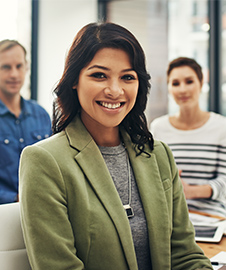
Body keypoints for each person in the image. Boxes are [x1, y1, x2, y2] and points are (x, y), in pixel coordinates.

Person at [19, 22, 212, 270]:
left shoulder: (159, 154)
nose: (115, 90)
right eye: (99, 75)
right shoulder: (44, 161)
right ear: (74, 80)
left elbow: (185, 255)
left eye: (127, 77)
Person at [150, 57, 226, 219]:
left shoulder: (223, 126)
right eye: (175, 83)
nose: (182, 90)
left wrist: (189, 191)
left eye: (189, 81)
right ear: (169, 88)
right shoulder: (158, 128)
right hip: (169, 215)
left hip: (210, 215)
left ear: (201, 84)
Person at [0, 39, 51, 204]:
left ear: (26, 67)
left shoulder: (41, 115)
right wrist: (15, 198)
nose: (14, 74)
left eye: (19, 66)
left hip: (41, 209)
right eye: (6, 67)